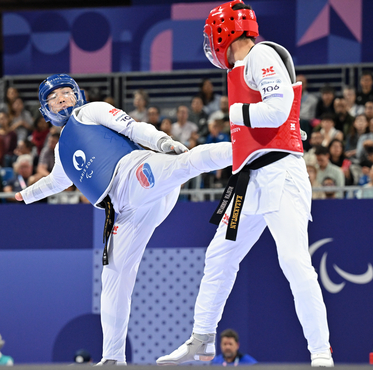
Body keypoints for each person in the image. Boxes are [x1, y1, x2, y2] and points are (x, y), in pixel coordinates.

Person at [156, 1, 332, 366]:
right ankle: (203, 340)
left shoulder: (262, 54)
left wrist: (233, 112)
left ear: (225, 31)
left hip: (282, 174)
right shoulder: (239, 70)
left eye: (212, 35)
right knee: (219, 256)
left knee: (295, 263)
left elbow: (278, 111)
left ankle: (320, 354)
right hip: (251, 179)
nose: (210, 44)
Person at [14, 74, 232, 365]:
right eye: (54, 98)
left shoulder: (90, 111)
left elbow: (133, 127)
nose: (62, 99)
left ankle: (251, 147)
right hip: (127, 210)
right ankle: (113, 358)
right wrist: (26, 195)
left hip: (134, 173)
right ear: (46, 111)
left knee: (183, 163)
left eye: (66, 93)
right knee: (114, 276)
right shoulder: (60, 151)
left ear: (78, 95)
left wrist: (163, 141)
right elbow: (55, 182)